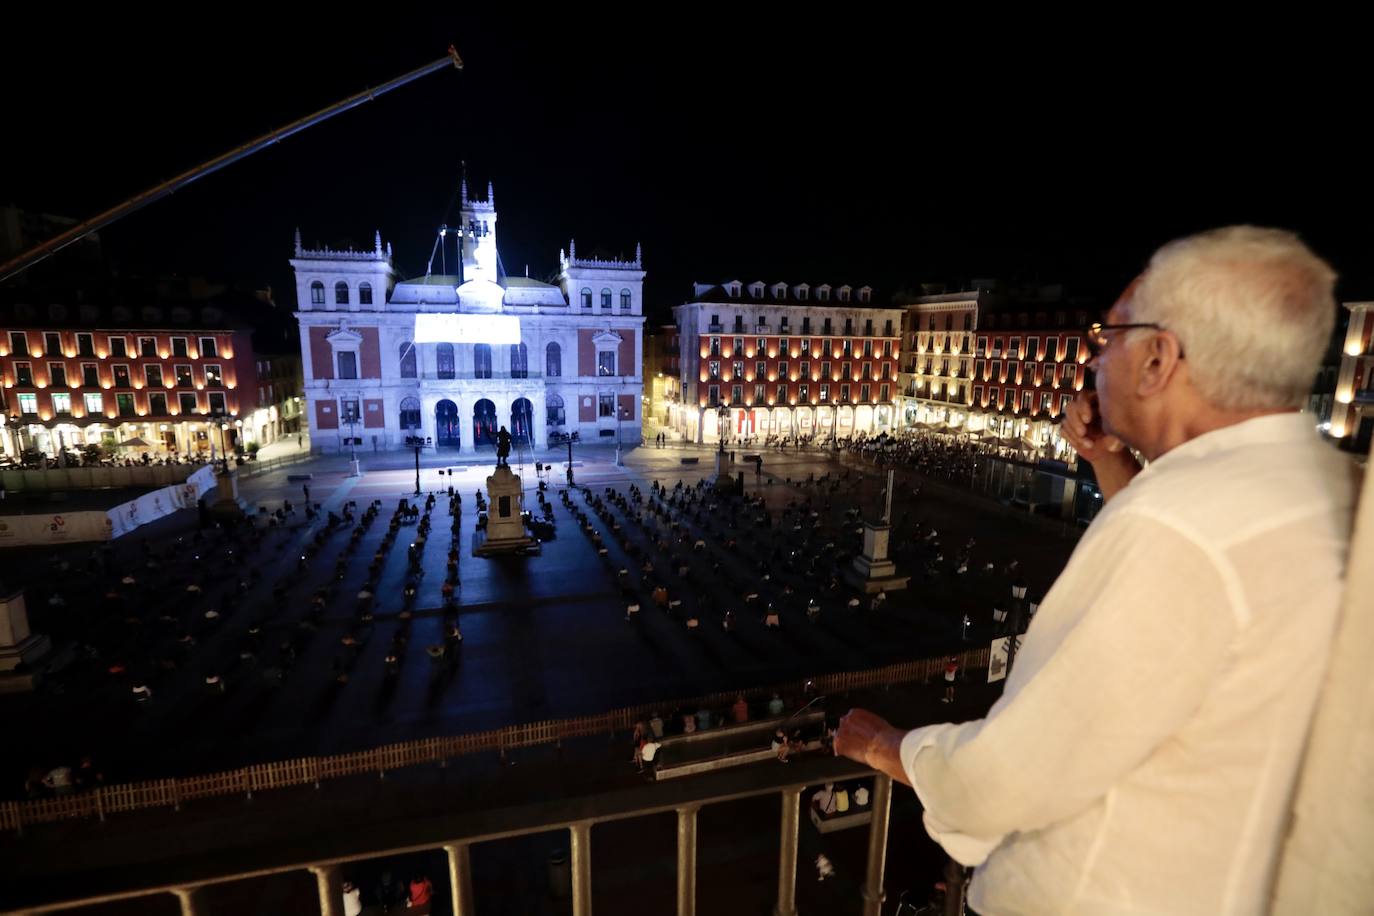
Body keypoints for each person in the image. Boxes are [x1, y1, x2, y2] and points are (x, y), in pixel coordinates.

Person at [833, 227, 1356, 915]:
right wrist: (1113, 463)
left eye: (1108, 336)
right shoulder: (1329, 483)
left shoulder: (1175, 524)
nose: (1095, 356)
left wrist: (887, 747)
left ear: (1157, 361)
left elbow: (1009, 774)